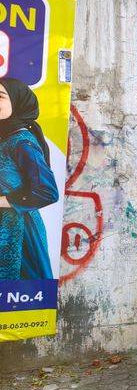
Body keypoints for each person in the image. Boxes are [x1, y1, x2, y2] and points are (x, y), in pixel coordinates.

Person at [0, 78, 59, 280]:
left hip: (19, 231)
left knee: (21, 298)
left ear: (17, 102)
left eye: (0, 97)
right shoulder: (5, 136)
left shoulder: (22, 142)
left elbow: (47, 192)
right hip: (3, 226)